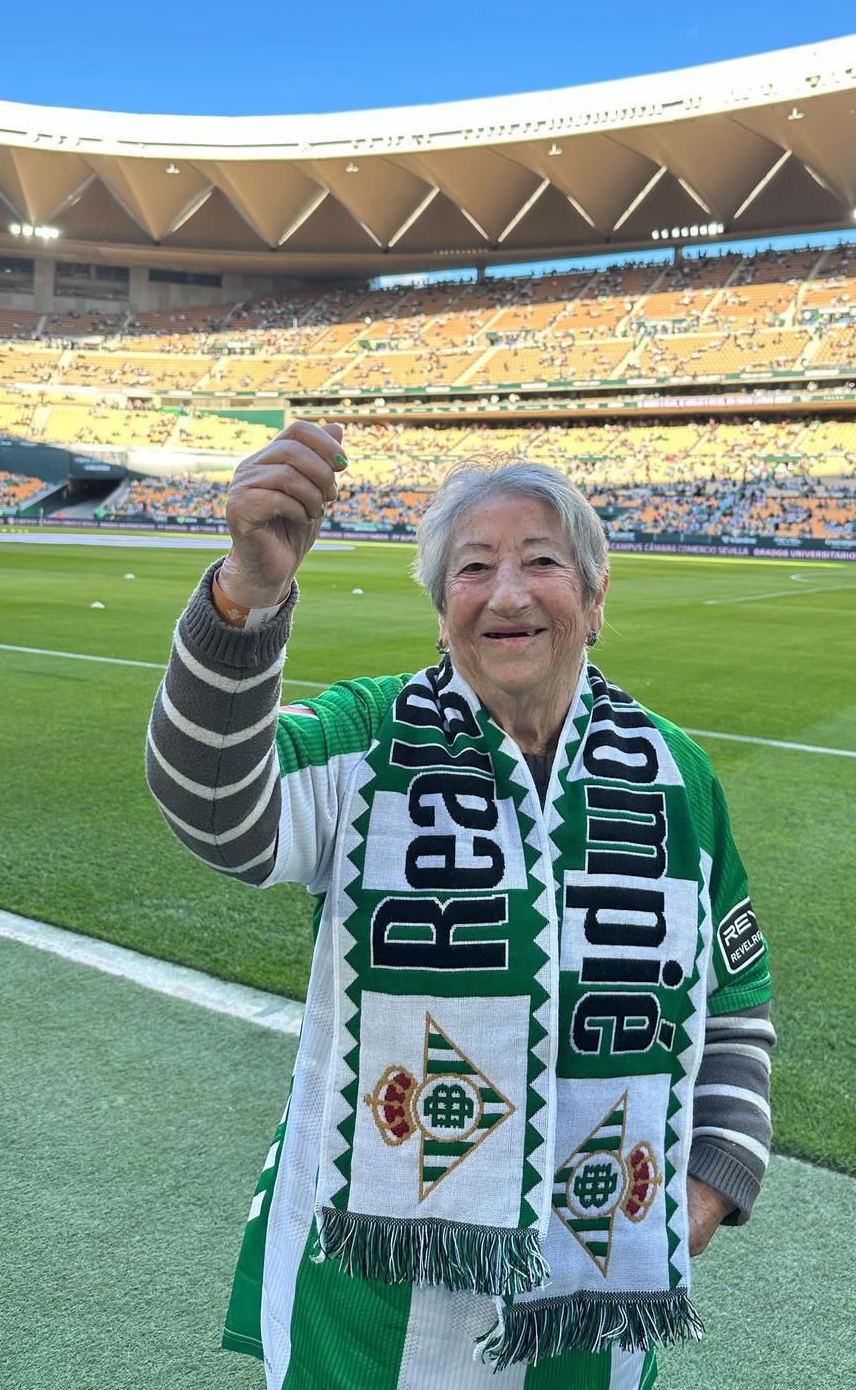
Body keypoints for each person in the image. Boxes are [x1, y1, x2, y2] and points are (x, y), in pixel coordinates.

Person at [147, 421, 775, 1390]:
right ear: (443, 613)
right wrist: (247, 595)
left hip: (593, 1306)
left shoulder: (677, 780)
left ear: (596, 598)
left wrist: (710, 1184)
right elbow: (219, 809)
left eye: (542, 561)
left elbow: (735, 1003)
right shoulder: (373, 737)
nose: (508, 591)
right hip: (368, 1309)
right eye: (474, 566)